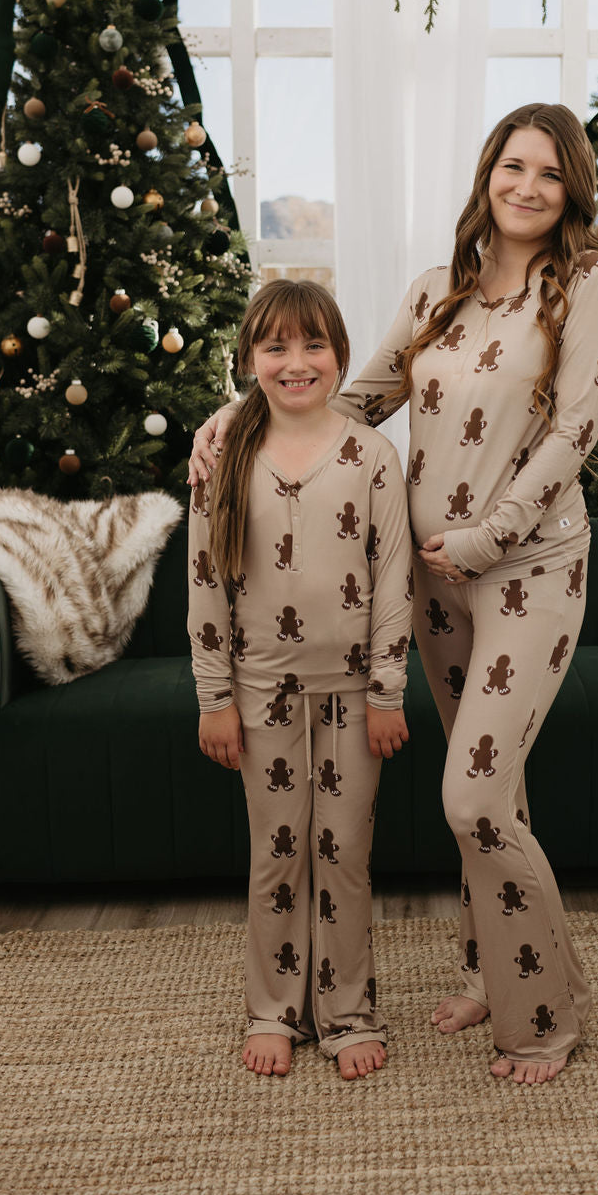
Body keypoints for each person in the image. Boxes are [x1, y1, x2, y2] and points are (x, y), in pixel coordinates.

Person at [190, 103, 598, 1084]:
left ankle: (549, 1007)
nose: (526, 186)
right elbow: (353, 395)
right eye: (511, 166)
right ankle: (487, 963)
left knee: (471, 792)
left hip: (527, 567)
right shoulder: (440, 291)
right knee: (498, 785)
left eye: (548, 174)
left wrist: (489, 534)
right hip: (433, 581)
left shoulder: (586, 284)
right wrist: (234, 410)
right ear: (486, 177)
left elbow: (575, 431)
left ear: (570, 192)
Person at [188, 278, 412, 1082]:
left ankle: (347, 1011)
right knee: (277, 853)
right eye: (276, 346)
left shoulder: (373, 457)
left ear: (341, 357)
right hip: (259, 691)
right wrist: (215, 698)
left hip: (355, 693)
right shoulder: (224, 456)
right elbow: (206, 582)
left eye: (313, 344)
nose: (295, 362)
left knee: (344, 851)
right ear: (250, 359)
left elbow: (392, 581)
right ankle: (273, 1010)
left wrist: (388, 690)